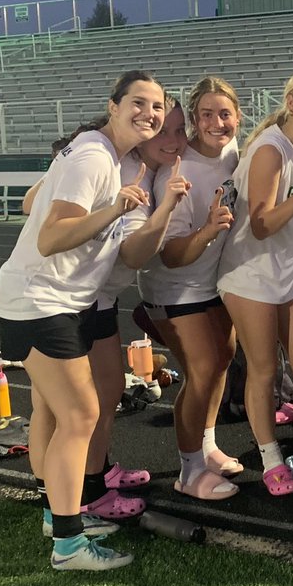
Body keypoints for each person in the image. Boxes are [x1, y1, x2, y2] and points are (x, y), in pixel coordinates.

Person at [0, 70, 176, 570]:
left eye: (157, 107)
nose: (150, 114)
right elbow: (51, 236)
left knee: (63, 416)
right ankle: (69, 545)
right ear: (113, 106)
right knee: (81, 416)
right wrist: (114, 208)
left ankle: (62, 518)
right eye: (138, 103)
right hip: (40, 301)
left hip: (52, 302)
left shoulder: (103, 156)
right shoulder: (97, 155)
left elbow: (35, 204)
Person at [23, 106, 189, 525]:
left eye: (177, 130)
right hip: (68, 297)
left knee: (87, 396)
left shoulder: (139, 165)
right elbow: (32, 204)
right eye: (160, 130)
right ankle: (79, 493)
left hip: (92, 296)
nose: (171, 139)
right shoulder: (110, 161)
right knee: (77, 401)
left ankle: (72, 485)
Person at [217, 70, 293, 496]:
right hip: (250, 272)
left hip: (289, 268)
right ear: (290, 102)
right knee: (263, 370)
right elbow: (262, 225)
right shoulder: (271, 150)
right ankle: (269, 459)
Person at [141, 76, 244, 501]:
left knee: (222, 360)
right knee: (200, 372)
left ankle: (206, 444)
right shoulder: (176, 174)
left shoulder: (234, 155)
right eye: (206, 115)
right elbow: (170, 255)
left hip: (212, 284)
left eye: (225, 114)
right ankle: (189, 471)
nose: (216, 123)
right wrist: (208, 229)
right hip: (174, 290)